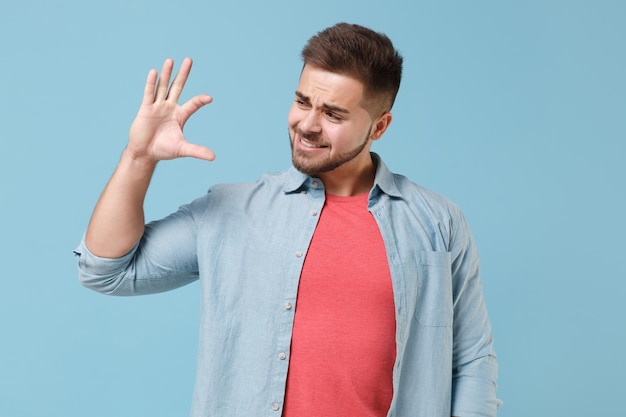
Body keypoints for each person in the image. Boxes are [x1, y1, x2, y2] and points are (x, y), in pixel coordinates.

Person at [75, 23, 501, 417]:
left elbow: (472, 359)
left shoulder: (436, 223)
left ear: (379, 127)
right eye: (302, 102)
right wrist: (138, 158)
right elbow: (106, 270)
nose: (307, 125)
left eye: (333, 114)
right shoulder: (232, 211)